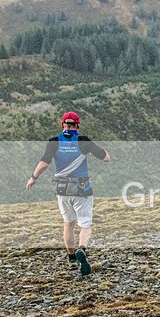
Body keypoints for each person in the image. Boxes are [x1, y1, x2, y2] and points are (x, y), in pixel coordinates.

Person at [26, 112, 109, 275]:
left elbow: (43, 163)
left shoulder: (54, 142)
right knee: (85, 224)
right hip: (82, 188)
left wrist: (33, 178)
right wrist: (91, 151)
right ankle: (82, 248)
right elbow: (106, 158)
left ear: (62, 125)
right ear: (77, 126)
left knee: (68, 223)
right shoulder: (83, 141)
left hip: (62, 189)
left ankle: (71, 258)